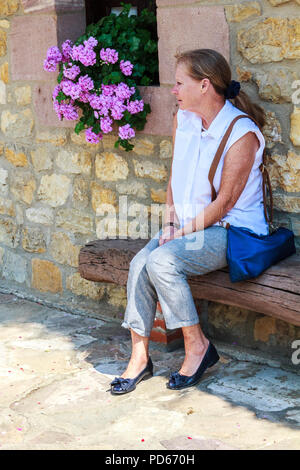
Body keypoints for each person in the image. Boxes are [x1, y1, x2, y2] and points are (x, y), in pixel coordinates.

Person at [110, 49, 267, 395]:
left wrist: (180, 234)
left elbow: (225, 202)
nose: (173, 90)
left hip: (231, 231)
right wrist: (170, 225)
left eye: (179, 83)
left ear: (205, 85)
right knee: (140, 263)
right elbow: (174, 178)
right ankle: (139, 358)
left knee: (162, 261)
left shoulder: (242, 134)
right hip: (188, 227)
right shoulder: (185, 117)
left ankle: (198, 347)